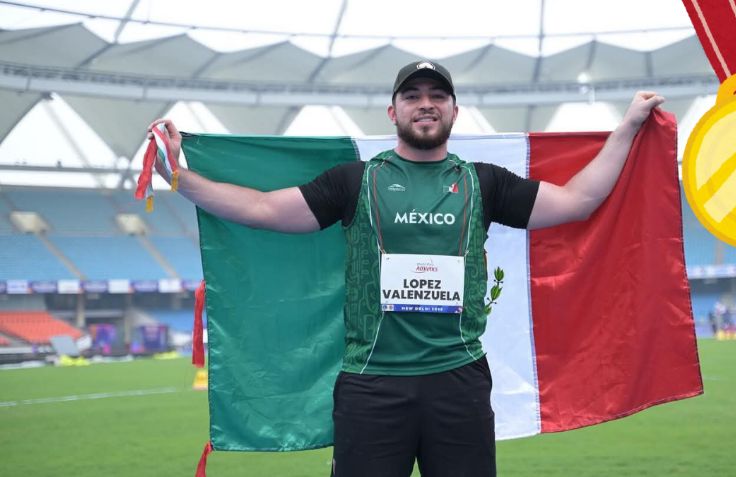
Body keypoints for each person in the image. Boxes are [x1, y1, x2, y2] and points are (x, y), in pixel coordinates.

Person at [149, 60, 664, 477]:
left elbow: (576, 200)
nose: (425, 105)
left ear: (454, 110)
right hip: (371, 387)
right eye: (413, 96)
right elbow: (263, 210)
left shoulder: (484, 182)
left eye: (436, 96)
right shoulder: (353, 181)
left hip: (458, 382)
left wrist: (628, 127)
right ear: (392, 110)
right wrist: (179, 177)